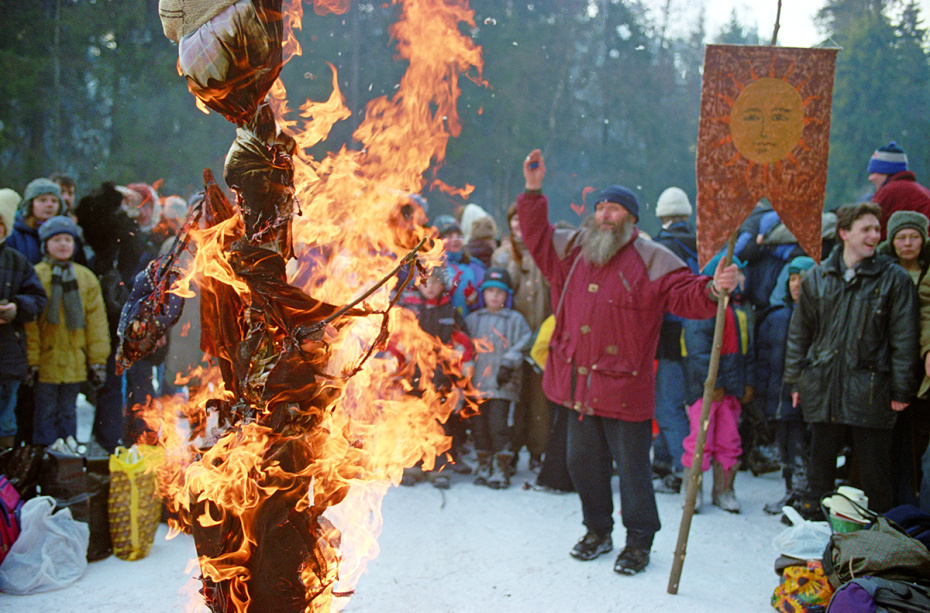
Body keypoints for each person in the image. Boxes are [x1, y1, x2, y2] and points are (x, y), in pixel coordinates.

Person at [516, 149, 738, 575]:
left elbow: (688, 295)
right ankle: (597, 531)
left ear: (631, 218)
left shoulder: (653, 258)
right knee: (582, 465)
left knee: (634, 472)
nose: (603, 215)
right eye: (599, 208)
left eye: (613, 209)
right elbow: (537, 237)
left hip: (624, 388)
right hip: (579, 387)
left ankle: (638, 543)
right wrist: (532, 191)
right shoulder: (574, 250)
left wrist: (714, 289)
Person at [784, 202, 919, 515]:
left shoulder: (894, 279)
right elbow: (799, 335)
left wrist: (901, 390)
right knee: (819, 475)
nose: (875, 235)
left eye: (877, 229)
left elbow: (904, 340)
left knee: (874, 477)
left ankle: (877, 546)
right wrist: (793, 380)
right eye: (866, 230)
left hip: (871, 390)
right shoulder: (817, 277)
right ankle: (816, 542)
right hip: (823, 386)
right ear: (844, 233)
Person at [26, 216, 109, 453]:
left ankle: (67, 460)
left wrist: (97, 360)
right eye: (56, 240)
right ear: (45, 245)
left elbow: (96, 324)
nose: (63, 245)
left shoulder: (85, 278)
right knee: (44, 411)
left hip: (75, 361)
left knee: (68, 411)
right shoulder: (36, 275)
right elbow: (31, 324)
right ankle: (44, 455)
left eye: (67, 240)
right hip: (46, 361)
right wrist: (31, 361)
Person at [681, 255, 753, 513]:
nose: (742, 279)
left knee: (729, 440)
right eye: (737, 273)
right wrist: (714, 384)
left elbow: (747, 351)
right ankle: (692, 491)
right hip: (705, 391)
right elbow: (698, 351)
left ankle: (724, 490)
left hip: (731, 391)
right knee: (700, 440)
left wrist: (747, 382)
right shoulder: (702, 308)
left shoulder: (740, 310)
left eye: (741, 274)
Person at [396, 266, 473, 489]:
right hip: (413, 375)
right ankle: (413, 464)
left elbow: (463, 344)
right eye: (426, 283)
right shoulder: (408, 309)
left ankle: (439, 467)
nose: (430, 288)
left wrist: (460, 369)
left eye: (436, 283)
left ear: (443, 286)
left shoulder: (450, 312)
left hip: (441, 377)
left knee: (440, 421)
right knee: (413, 420)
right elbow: (397, 339)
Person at [492, 202, 553, 474]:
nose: (518, 224)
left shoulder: (548, 251)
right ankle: (511, 450)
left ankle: (539, 451)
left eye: (523, 219)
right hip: (512, 336)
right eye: (513, 220)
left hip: (542, 335)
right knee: (514, 398)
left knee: (540, 399)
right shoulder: (503, 255)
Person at [755, 256, 816, 515]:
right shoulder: (775, 317)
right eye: (792, 278)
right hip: (778, 398)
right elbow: (763, 359)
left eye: (802, 279)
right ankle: (790, 494)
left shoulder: (818, 317)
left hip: (804, 398)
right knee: (786, 449)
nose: (796, 285)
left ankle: (803, 498)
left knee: (803, 449)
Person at [465, 268, 533, 489]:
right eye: (490, 291)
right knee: (479, 426)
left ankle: (502, 466)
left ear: (507, 296)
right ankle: (484, 463)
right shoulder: (473, 319)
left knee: (499, 426)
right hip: (477, 384)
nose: (495, 296)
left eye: (500, 292)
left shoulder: (514, 320)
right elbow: (463, 346)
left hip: (502, 384)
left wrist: (508, 362)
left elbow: (524, 342)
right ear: (483, 294)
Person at [650, 186, 697, 494]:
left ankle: (684, 470)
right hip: (693, 334)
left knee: (666, 406)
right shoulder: (698, 244)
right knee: (677, 401)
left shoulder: (660, 247)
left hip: (666, 335)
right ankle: (665, 462)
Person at [0, 226, 47, 448]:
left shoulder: (16, 261)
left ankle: (4, 479)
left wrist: (15, 307)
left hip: (8, 358)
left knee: (6, 423)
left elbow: (38, 299)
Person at [867, 142, 930, 239]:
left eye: (874, 172)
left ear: (887, 171)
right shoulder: (918, 189)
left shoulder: (890, 191)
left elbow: (869, 226)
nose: (870, 178)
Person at [7, 178, 65, 264]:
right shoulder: (13, 235)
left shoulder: (67, 234)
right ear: (30, 205)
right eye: (42, 200)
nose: (49, 205)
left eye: (54, 201)